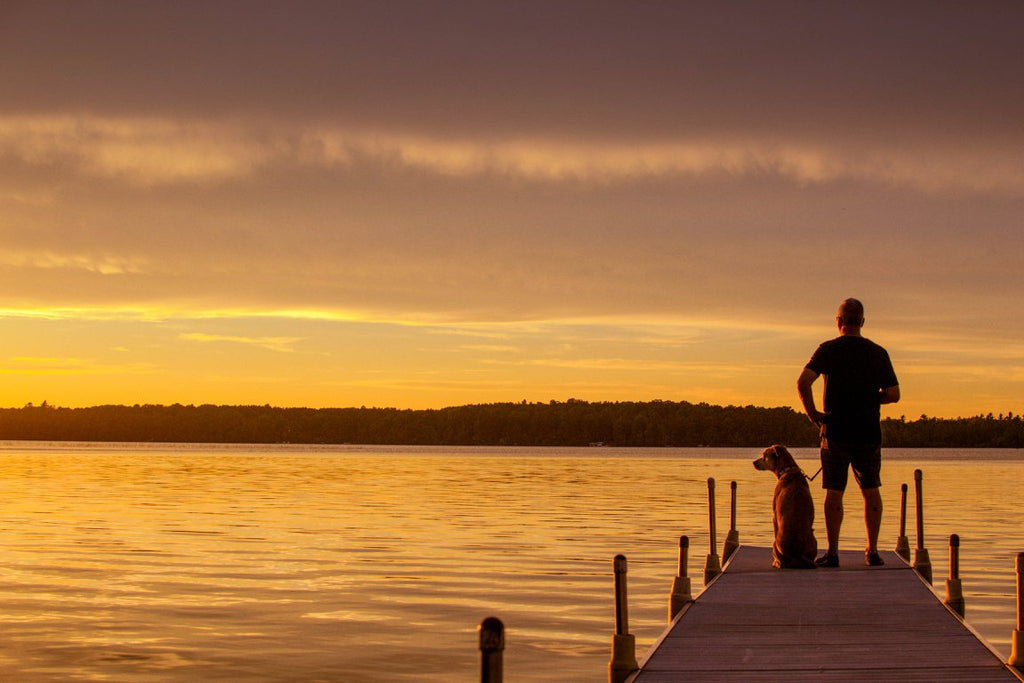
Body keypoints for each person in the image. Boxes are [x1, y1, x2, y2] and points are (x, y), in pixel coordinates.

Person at [797, 298, 900, 567]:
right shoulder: (878, 353)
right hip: (868, 433)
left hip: (835, 433)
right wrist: (871, 398)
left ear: (839, 321)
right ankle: (872, 550)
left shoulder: (828, 350)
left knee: (834, 491)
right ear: (863, 322)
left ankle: (832, 552)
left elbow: (803, 382)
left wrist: (813, 414)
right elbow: (893, 394)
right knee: (871, 490)